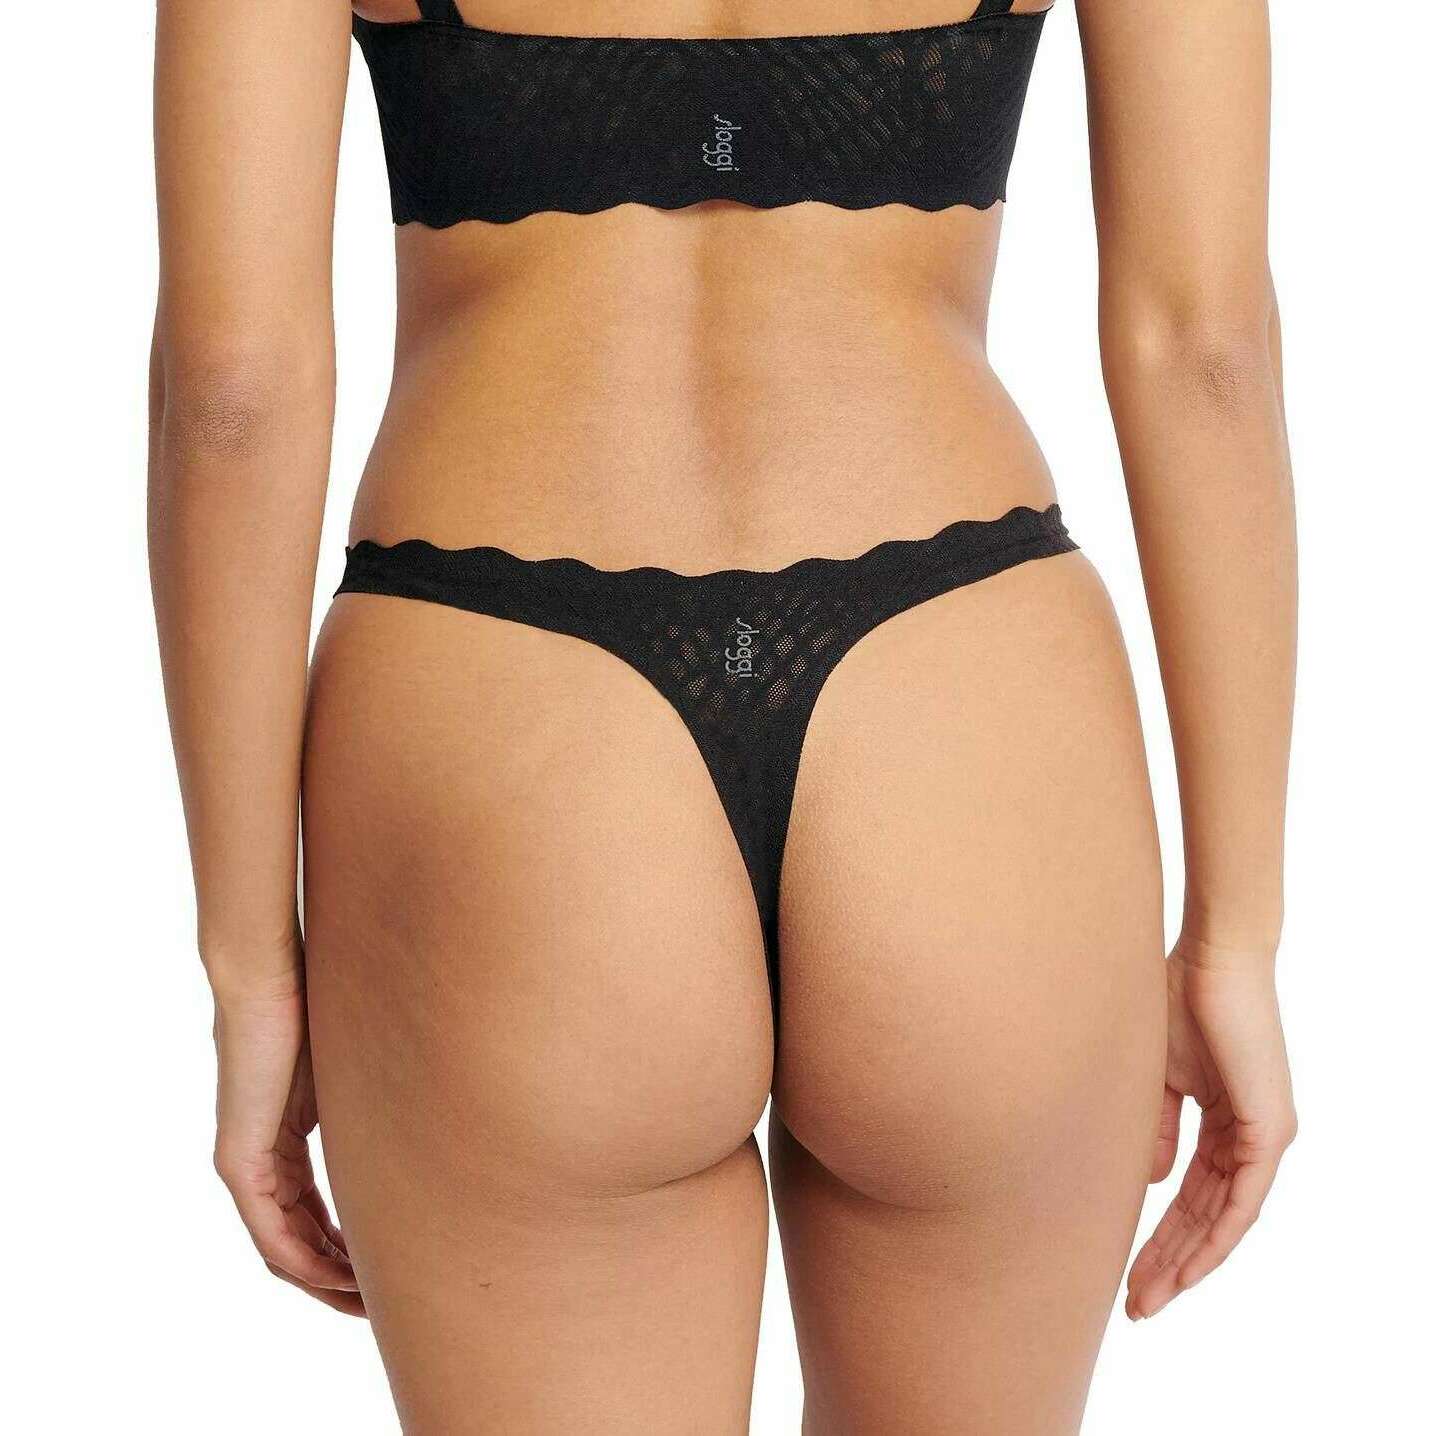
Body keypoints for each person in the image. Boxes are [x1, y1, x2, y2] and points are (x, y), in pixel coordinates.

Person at [149, 2, 1297, 1430]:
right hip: (965, 716)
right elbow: (1204, 348)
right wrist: (1236, 938)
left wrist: (253, 972)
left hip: (513, 730)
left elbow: (233, 393)